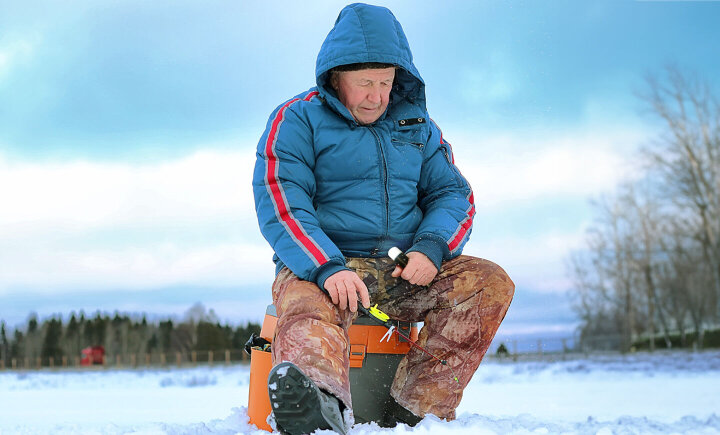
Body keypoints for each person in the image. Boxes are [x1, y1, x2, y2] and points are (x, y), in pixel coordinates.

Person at [252, 3, 514, 434]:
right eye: (365, 83)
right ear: (337, 78)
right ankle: (320, 407)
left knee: (488, 282)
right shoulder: (296, 118)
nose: (376, 96)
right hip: (322, 268)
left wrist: (430, 248)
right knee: (308, 305)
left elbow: (453, 194)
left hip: (400, 269)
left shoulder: (419, 127)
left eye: (385, 83)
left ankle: (417, 414)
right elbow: (282, 203)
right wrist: (327, 267)